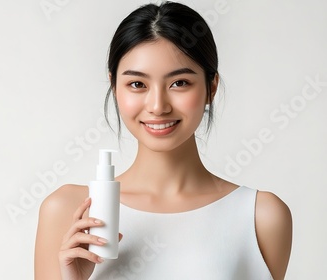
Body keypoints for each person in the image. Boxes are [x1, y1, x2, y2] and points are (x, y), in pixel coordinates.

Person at [34, 2, 292, 279]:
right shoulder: (67, 210)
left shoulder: (260, 216)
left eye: (179, 83)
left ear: (211, 88)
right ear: (115, 87)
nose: (158, 106)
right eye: (137, 84)